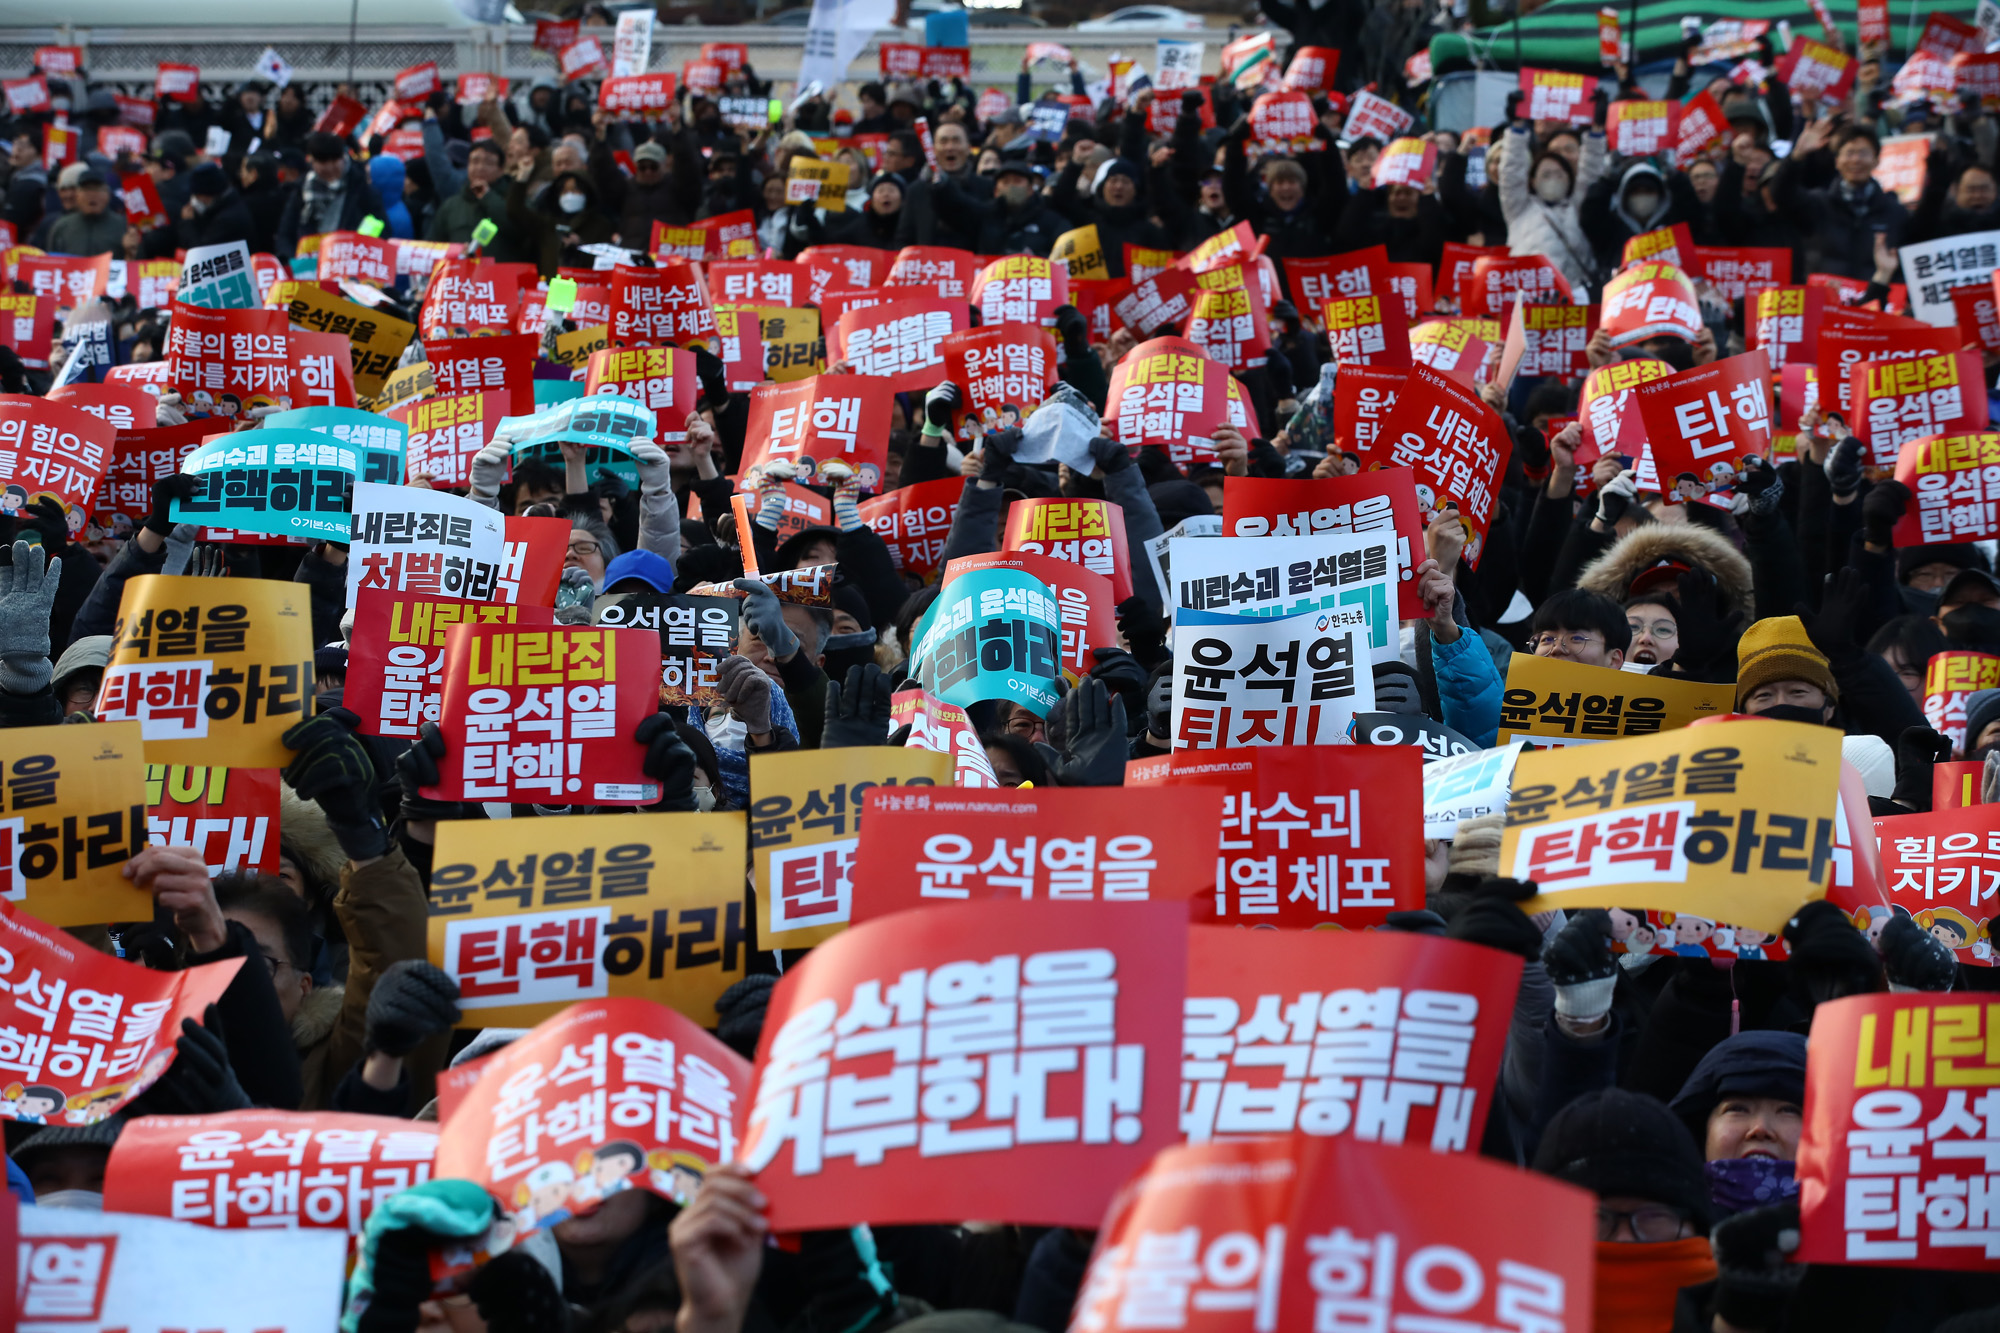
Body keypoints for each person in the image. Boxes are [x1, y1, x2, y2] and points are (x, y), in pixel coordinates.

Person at [276, 132, 384, 258]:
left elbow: (380, 224)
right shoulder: (301, 190)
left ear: (343, 158)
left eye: (334, 160)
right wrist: (290, 259)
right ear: (313, 161)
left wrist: (360, 248)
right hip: (308, 264)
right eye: (323, 161)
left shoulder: (359, 187)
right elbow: (285, 232)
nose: (329, 167)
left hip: (349, 262)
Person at [45, 170, 124, 256]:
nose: (92, 195)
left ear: (108, 194)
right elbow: (51, 260)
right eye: (86, 189)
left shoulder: (122, 226)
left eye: (97, 189)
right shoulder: (62, 227)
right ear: (77, 195)